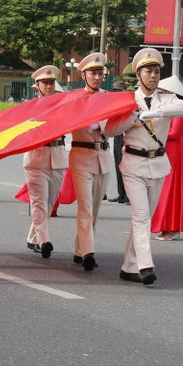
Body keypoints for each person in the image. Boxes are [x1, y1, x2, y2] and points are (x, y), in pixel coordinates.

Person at [109, 49, 183, 285]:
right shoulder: (128, 100)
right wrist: (133, 119)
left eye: (157, 71)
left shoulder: (166, 98)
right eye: (148, 71)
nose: (154, 75)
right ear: (138, 74)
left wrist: (154, 112)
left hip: (158, 164)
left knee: (144, 217)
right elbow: (110, 131)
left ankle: (128, 266)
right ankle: (145, 266)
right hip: (133, 163)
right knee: (142, 215)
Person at [68, 52, 113, 272]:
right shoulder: (74, 100)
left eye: (100, 74)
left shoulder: (108, 98)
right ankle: (88, 252)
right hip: (81, 156)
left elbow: (114, 124)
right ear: (83, 75)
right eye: (92, 73)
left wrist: (100, 125)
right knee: (85, 206)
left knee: (94, 208)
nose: (97, 77)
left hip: (102, 157)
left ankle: (79, 248)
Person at [21, 65, 67, 258]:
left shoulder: (63, 107)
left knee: (48, 203)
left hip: (58, 157)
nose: (49, 86)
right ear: (37, 86)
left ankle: (33, 237)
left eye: (51, 83)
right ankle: (43, 241)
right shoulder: (30, 107)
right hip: (36, 158)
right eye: (45, 83)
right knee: (39, 202)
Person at [151, 78, 183, 240]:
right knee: (162, 189)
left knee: (171, 189)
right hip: (165, 149)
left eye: (163, 92)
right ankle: (164, 225)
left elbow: (174, 133)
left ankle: (172, 227)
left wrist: (154, 133)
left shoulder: (180, 108)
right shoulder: (166, 107)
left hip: (174, 151)